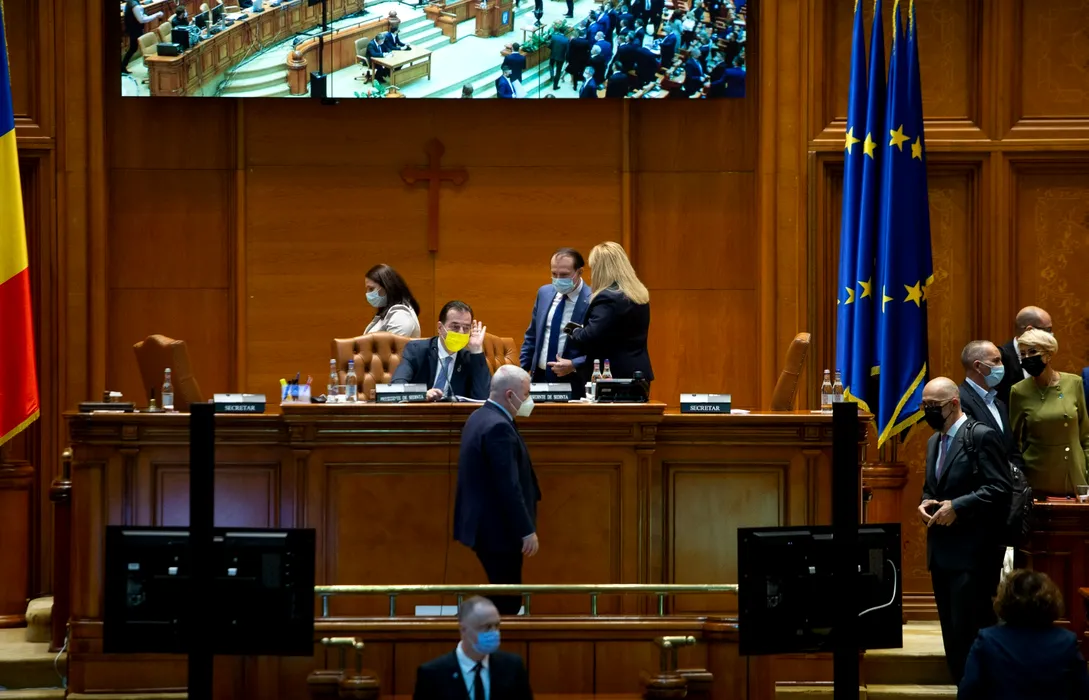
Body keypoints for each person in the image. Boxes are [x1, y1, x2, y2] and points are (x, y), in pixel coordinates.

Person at [918, 377, 1012, 684]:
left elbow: (1000, 488)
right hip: (941, 551)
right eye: (924, 405)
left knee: (970, 627)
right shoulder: (934, 442)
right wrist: (926, 503)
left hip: (974, 553)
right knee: (951, 629)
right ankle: (962, 683)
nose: (927, 411)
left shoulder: (981, 436)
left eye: (933, 405)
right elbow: (932, 487)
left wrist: (958, 506)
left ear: (954, 403)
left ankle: (979, 686)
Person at [453, 366, 541, 616]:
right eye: (526, 394)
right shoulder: (498, 427)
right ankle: (470, 629)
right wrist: (526, 530)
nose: (529, 401)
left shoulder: (479, 416)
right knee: (508, 601)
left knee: (505, 596)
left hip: (486, 527)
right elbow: (509, 486)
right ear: (510, 395)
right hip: (499, 532)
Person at [959, 569, 1089, 700]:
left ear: (1004, 600)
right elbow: (1082, 692)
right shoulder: (1067, 641)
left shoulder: (987, 640)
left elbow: (967, 693)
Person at [1009, 328, 1089, 498]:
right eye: (1022, 354)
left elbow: (1085, 435)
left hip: (1074, 473)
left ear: (1049, 354)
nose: (1027, 358)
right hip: (1038, 477)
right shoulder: (1019, 391)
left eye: (1032, 352)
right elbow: (1014, 442)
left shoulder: (1074, 383)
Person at [412, 596, 533, 700]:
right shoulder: (432, 674)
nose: (494, 632)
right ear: (463, 630)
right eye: (486, 627)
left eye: (496, 626)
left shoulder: (512, 667)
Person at [565, 241, 652, 384]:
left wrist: (573, 329)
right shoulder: (638, 293)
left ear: (600, 269)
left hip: (614, 377)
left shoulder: (607, 297)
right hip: (638, 373)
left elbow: (589, 337)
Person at [520, 248, 592, 397]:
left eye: (564, 275)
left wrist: (574, 364)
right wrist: (522, 371)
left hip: (574, 382)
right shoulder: (544, 293)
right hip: (539, 378)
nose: (558, 279)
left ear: (579, 272)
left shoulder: (592, 300)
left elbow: (600, 347)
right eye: (554, 274)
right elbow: (532, 336)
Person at [391, 301, 491, 401]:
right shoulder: (417, 350)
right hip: (420, 409)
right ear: (440, 328)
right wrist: (421, 394)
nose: (461, 332)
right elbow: (396, 387)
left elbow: (483, 398)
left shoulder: (470, 359)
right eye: (455, 327)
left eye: (466, 328)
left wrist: (477, 350)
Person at [958, 340, 1025, 473]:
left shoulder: (999, 403)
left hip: (1009, 482)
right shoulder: (960, 401)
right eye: (996, 361)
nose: (1001, 366)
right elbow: (970, 453)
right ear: (978, 366)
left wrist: (1017, 474)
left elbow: (1011, 448)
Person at [995, 306, 1052, 406]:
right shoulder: (999, 359)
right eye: (1048, 330)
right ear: (1029, 330)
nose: (1051, 334)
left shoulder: (1043, 352)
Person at [362, 264, 421, 337]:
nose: (367, 293)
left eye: (371, 289)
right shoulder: (389, 313)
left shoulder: (401, 315)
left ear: (387, 287)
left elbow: (392, 344)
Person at [122, 0, 164, 74]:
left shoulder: (132, 2)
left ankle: (123, 65)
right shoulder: (135, 5)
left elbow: (140, 15)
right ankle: (123, 66)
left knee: (134, 48)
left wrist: (146, 15)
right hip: (135, 29)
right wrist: (156, 15)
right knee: (137, 47)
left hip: (134, 28)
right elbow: (141, 20)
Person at [549, 25, 570, 90]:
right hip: (561, 57)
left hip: (553, 55)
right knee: (558, 71)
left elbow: (549, 46)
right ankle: (555, 86)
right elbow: (567, 51)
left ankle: (551, 76)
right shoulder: (566, 40)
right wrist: (567, 59)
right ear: (565, 32)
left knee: (551, 65)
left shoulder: (554, 36)